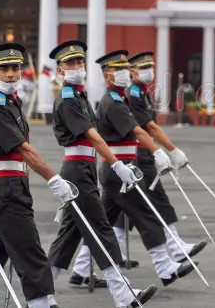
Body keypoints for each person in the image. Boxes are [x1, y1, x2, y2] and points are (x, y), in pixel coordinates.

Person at [71, 50, 198, 288]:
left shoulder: (120, 98)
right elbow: (139, 130)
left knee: (104, 222)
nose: (125, 74)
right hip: (120, 169)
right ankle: (165, 266)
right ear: (108, 77)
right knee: (146, 214)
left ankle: (79, 269)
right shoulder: (115, 102)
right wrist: (159, 152)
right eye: (118, 71)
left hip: (117, 170)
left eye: (125, 69)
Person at [45, 40, 157, 308]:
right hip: (77, 171)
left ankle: (40, 294)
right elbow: (92, 137)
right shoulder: (69, 98)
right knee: (101, 229)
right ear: (60, 70)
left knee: (69, 236)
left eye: (79, 62)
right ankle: (123, 294)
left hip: (83, 169)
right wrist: (116, 163)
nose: (77, 67)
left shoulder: (79, 95)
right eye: (70, 63)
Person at [0, 42, 74, 308]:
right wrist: (53, 178)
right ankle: (41, 302)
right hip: (6, 189)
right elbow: (23, 149)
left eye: (15, 68)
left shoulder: (11, 103)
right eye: (4, 68)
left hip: (13, 185)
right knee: (29, 249)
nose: (11, 74)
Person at [110, 52, 207, 263]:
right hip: (140, 154)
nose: (149, 72)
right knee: (156, 201)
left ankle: (92, 262)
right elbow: (149, 127)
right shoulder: (134, 94)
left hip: (140, 154)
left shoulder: (141, 92)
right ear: (132, 71)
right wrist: (170, 150)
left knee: (125, 208)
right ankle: (175, 247)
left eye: (150, 67)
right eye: (143, 68)